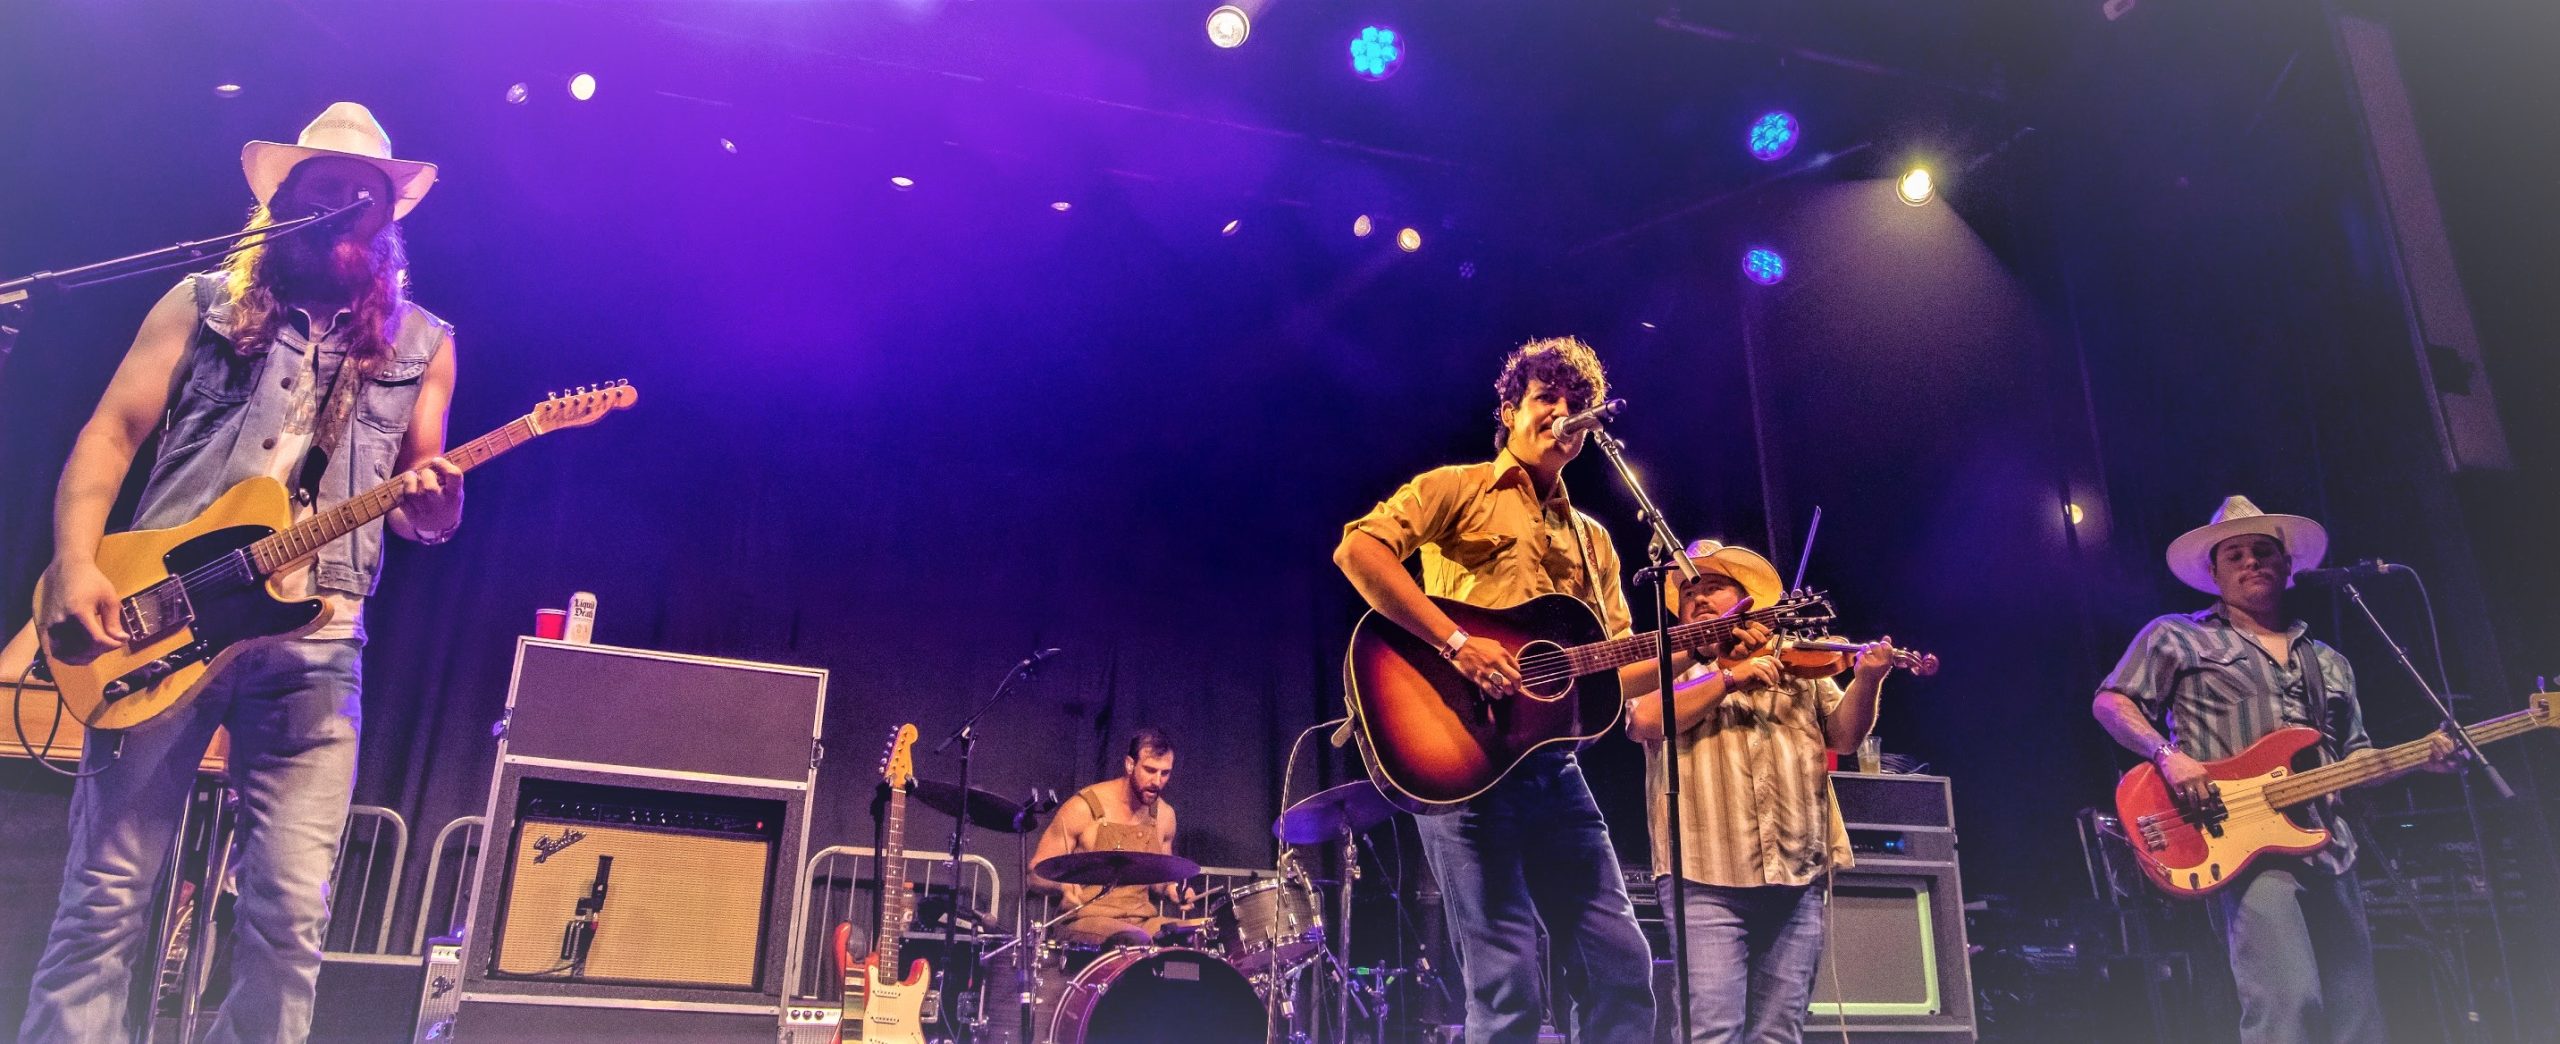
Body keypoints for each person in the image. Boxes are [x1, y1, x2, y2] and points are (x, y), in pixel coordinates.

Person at [21, 102, 462, 1044]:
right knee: (105, 901)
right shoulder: (201, 301)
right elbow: (111, 434)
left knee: (289, 920)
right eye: (323, 188)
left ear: (386, 222)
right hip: (165, 616)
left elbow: (427, 497)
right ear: (284, 202)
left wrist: (438, 502)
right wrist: (72, 565)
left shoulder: (425, 343)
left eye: (364, 194)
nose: (344, 204)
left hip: (317, 641)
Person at [1335, 336, 1709, 1043]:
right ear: (1509, 410)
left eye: (1577, 407)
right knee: (1508, 989)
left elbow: (1612, 669)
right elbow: (1358, 550)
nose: (1562, 415)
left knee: (1623, 966)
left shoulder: (1594, 538)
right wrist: (1456, 643)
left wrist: (1691, 646)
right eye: (1546, 401)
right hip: (1463, 762)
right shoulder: (1458, 487)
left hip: (1552, 770)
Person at [2091, 496, 2459, 1044]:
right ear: (2213, 573)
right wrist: (2168, 756)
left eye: (2264, 551)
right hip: (2243, 845)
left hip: (2331, 845)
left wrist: (2418, 759)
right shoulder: (2177, 635)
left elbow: (2354, 758)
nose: (2251, 562)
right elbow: (2111, 702)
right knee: (2288, 1002)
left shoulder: (2329, 661)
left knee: (2357, 1016)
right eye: (2234, 554)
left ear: (2289, 567)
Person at [1625, 540, 1896, 1043]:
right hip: (1703, 876)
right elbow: (1643, 720)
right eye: (1688, 591)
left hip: (1797, 868)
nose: (1699, 597)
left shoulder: (1790, 653)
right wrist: (1728, 677)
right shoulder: (1669, 659)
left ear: (1748, 599)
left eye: (1714, 587)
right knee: (1712, 1032)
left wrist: (1869, 681)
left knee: (1779, 1031)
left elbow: (1842, 737)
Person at [1027, 727, 1201, 947]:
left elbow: (1159, 879)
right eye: (1149, 770)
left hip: (1142, 921)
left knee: (1193, 936)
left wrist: (1172, 889)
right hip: (1087, 919)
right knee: (1132, 939)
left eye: (1164, 773)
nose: (1157, 781)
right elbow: (1035, 873)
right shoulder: (1083, 807)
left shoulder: (1164, 816)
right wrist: (1062, 886)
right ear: (1130, 765)